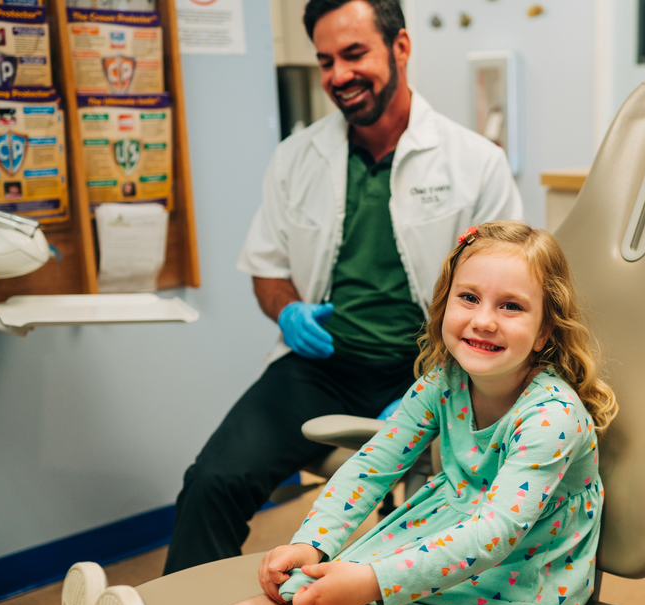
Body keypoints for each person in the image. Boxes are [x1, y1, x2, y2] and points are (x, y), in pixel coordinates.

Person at [62, 220, 618, 605]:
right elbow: (373, 466)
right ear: (444, 304)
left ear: (547, 331)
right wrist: (314, 546)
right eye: (468, 297)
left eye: (512, 307)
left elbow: (492, 536)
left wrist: (371, 582)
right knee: (299, 594)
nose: (483, 320)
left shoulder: (551, 417)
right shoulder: (443, 381)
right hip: (443, 546)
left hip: (524, 587)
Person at [162, 0, 522, 575]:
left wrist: (445, 377)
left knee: (446, 519)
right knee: (213, 480)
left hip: (432, 370)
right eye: (326, 60)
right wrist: (287, 314)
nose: (338, 76)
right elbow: (267, 270)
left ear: (400, 48)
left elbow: (508, 289)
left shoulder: (475, 163)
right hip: (320, 366)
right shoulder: (296, 158)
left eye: (354, 54)